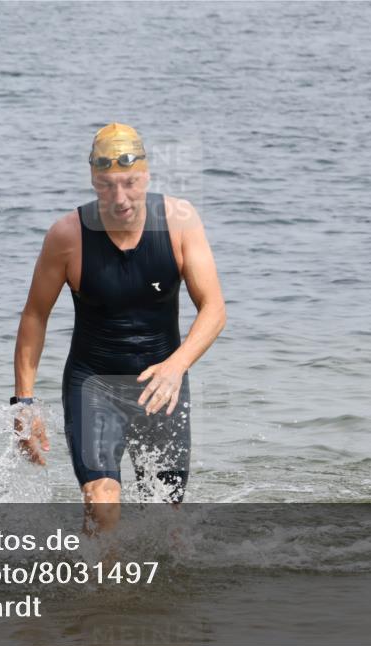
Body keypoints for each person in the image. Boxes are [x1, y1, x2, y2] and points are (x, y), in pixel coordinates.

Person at [12, 123, 225, 533]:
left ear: (146, 175)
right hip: (94, 384)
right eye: (106, 186)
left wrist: (175, 366)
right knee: (102, 500)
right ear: (93, 180)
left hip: (163, 387)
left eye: (129, 183)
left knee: (165, 521)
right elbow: (35, 315)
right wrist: (24, 403)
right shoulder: (67, 236)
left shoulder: (180, 222)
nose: (120, 198)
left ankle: (145, 594)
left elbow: (214, 308)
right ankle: (99, 594)